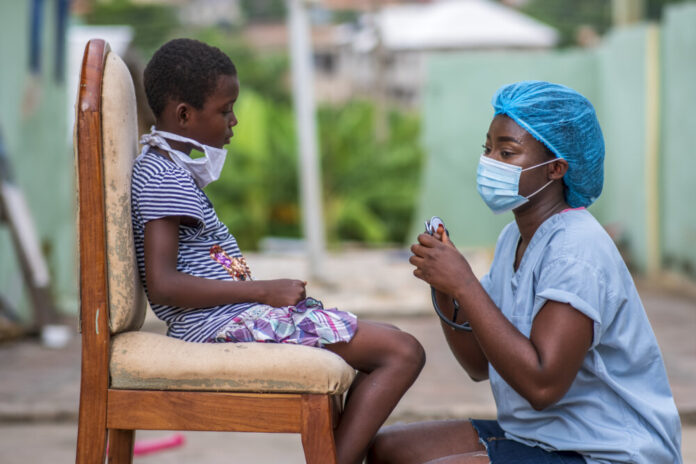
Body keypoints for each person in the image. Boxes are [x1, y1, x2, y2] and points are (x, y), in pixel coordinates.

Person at [131, 38, 425, 464]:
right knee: (402, 352)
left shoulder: (170, 169)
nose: (233, 120)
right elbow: (163, 285)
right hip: (217, 325)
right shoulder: (164, 177)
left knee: (395, 340)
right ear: (184, 115)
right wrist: (263, 291)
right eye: (224, 109)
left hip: (227, 317)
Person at [368, 81, 682, 464]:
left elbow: (542, 385)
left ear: (555, 168)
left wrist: (465, 284)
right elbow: (478, 365)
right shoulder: (513, 238)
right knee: (386, 449)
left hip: (605, 451)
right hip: (538, 436)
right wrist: (446, 291)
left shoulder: (576, 250)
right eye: (487, 149)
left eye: (507, 152)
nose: (490, 162)